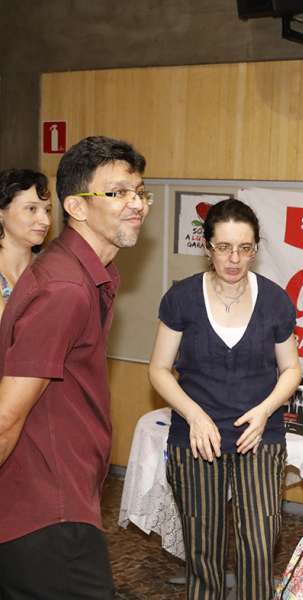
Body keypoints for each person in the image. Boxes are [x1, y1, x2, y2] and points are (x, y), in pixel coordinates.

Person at [0, 136, 151, 598]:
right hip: (46, 512)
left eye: (139, 192)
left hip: (57, 502)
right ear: (77, 207)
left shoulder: (84, 275)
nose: (137, 204)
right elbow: (6, 415)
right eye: (118, 192)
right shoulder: (65, 288)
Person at [149, 198, 301, 600]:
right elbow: (159, 369)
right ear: (207, 246)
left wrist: (265, 410)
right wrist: (194, 415)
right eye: (224, 247)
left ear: (256, 249)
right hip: (196, 437)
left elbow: (291, 369)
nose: (234, 259)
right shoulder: (182, 298)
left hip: (259, 434)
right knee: (204, 546)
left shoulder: (275, 300)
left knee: (259, 542)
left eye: (245, 248)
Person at [0, 169, 52, 317]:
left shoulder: (53, 268)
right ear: (1, 213)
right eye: (31, 209)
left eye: (47, 210)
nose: (46, 221)